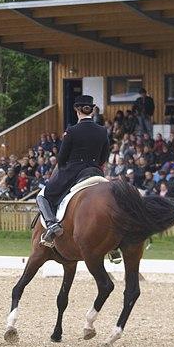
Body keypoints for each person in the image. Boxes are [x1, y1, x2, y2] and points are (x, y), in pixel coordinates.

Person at [37, 95, 109, 247]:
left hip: (74, 171)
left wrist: (64, 166)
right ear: (92, 110)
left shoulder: (72, 130)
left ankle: (51, 224)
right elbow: (104, 156)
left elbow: (62, 158)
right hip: (96, 171)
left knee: (42, 196)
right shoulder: (102, 131)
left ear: (77, 110)